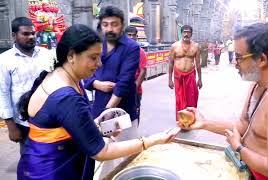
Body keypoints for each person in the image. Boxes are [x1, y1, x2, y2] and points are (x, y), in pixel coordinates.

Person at [16, 24, 178, 180]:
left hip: (42, 162)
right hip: (53, 171)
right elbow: (101, 151)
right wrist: (151, 141)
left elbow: (67, 124)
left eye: (100, 57)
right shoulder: (66, 96)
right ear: (71, 56)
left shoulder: (62, 77)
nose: (99, 64)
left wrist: (97, 126)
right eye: (93, 58)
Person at [178, 23, 268, 180]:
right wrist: (204, 123)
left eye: (239, 57)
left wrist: (239, 148)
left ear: (262, 59)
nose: (234, 62)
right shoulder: (258, 84)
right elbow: (244, 126)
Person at [84, 6, 140, 140]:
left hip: (122, 111)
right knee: (101, 156)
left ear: (122, 25)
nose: (109, 29)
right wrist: (97, 84)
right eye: (105, 24)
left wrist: (107, 112)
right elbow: (84, 72)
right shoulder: (94, 45)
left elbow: (124, 83)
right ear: (100, 26)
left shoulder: (131, 47)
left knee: (125, 154)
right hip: (98, 108)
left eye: (114, 24)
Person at [0, 17, 51, 154]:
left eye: (33, 33)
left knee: (50, 156)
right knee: (29, 157)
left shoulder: (46, 55)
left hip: (48, 117)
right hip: (23, 122)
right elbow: (3, 93)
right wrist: (11, 126)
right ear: (14, 36)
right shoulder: (5, 60)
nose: (31, 37)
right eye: (25, 34)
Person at [168, 25, 202, 121]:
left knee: (192, 97)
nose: (186, 34)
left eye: (188, 32)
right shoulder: (174, 46)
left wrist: (200, 79)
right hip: (178, 76)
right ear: (181, 33)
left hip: (190, 74)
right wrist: (170, 79)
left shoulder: (196, 46)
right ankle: (181, 119)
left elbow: (198, 64)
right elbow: (171, 63)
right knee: (179, 99)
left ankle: (190, 118)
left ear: (191, 34)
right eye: (184, 32)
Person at [124, 25, 147, 123]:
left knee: (134, 116)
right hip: (121, 90)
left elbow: (143, 71)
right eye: (129, 35)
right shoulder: (120, 51)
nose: (132, 37)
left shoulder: (140, 52)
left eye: (134, 35)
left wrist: (135, 88)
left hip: (135, 91)